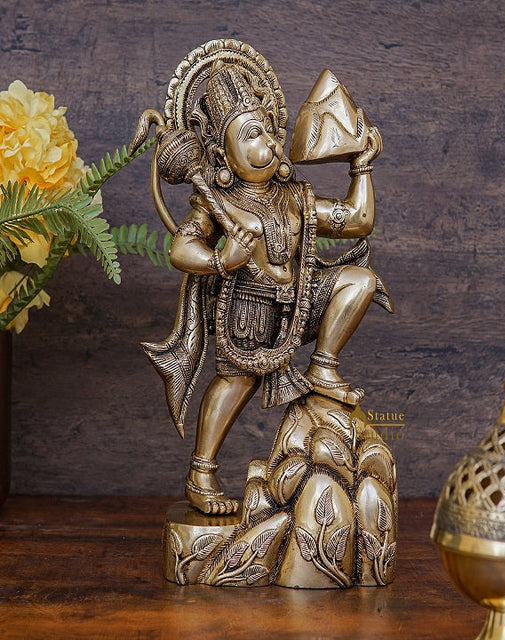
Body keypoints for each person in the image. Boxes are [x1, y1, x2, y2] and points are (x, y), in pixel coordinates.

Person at [136, 59, 392, 515]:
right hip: (248, 315)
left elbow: (357, 221)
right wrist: (221, 259)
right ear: (221, 154)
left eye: (271, 131)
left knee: (360, 280)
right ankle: (201, 471)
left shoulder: (294, 197)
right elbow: (181, 248)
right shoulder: (216, 202)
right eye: (253, 134)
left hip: (300, 306)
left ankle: (323, 367)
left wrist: (362, 166)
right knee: (236, 383)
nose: (270, 144)